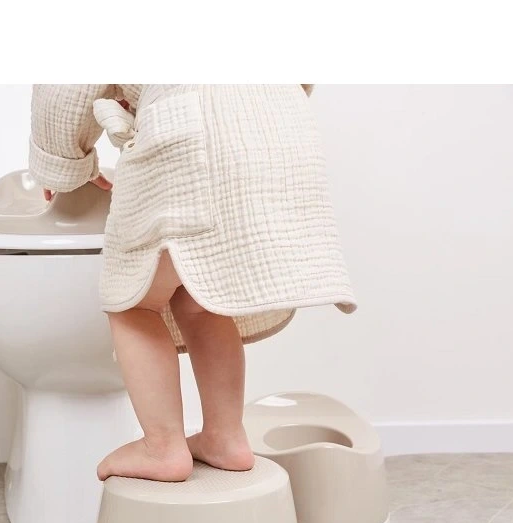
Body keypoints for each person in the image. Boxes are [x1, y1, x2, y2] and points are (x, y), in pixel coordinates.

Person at [29, 85, 356, 482]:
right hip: (279, 131)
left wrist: (61, 163)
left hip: (192, 136)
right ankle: (225, 436)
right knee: (200, 298)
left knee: (134, 301)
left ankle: (162, 448)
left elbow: (68, 86)